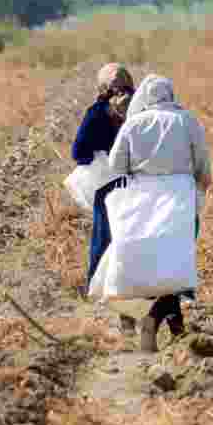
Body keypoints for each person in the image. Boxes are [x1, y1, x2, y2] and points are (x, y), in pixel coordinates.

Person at [108, 74, 212, 352]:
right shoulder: (186, 121)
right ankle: (159, 322)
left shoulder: (133, 123)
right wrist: (200, 187)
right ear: (170, 95)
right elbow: (202, 162)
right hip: (179, 196)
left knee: (147, 262)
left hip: (142, 197)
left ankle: (161, 324)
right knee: (174, 265)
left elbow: (116, 165)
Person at [71, 63, 135, 296]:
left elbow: (78, 152)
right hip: (139, 183)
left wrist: (97, 155)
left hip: (108, 186)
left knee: (103, 239)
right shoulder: (142, 109)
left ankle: (96, 289)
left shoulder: (97, 112)